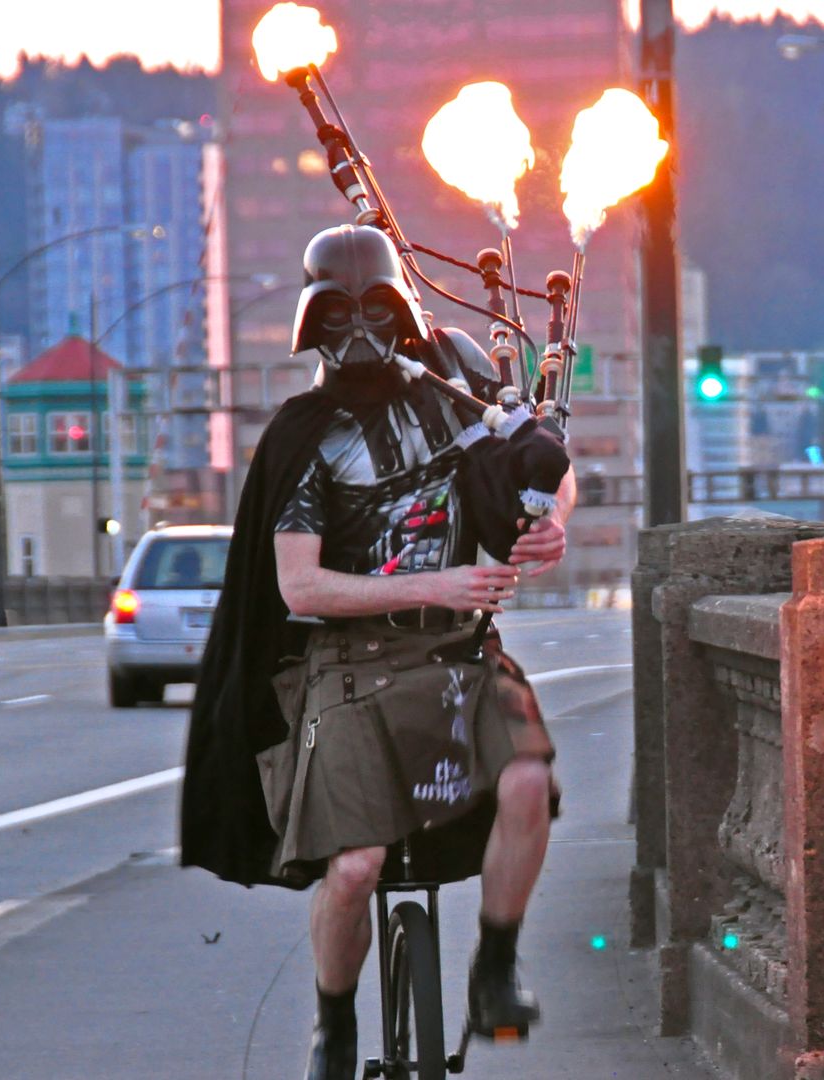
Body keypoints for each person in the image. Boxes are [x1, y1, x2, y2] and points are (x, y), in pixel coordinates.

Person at [180, 224, 576, 1080]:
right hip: (347, 667)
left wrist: (554, 522)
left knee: (528, 784)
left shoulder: (453, 391)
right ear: (311, 320)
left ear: (400, 313)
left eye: (375, 313)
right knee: (355, 867)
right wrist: (439, 583)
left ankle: (496, 966)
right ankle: (333, 1023)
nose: (359, 334)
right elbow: (299, 588)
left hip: (461, 651)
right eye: (339, 315)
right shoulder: (305, 436)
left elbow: (543, 456)